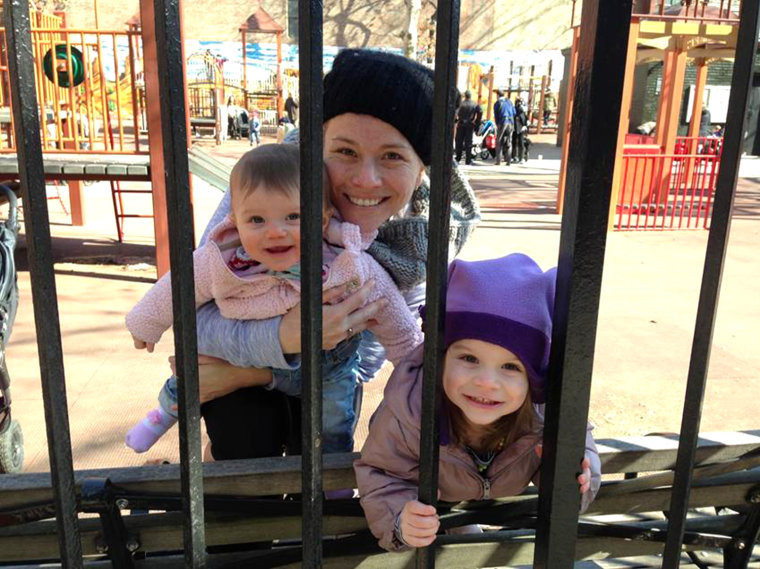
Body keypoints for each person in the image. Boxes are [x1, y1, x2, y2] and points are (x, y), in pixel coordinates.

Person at [193, 49, 481, 461]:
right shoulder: (270, 188)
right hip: (243, 385)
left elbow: (369, 360)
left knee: (324, 452)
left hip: (325, 379)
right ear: (315, 145)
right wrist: (281, 338)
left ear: (421, 170)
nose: (365, 179)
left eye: (393, 156)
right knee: (247, 437)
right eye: (344, 151)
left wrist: (256, 371)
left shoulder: (419, 240)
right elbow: (193, 315)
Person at [124, 144, 423, 453]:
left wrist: (410, 358)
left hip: (327, 367)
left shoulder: (343, 263)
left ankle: (332, 487)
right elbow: (181, 285)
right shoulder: (226, 259)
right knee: (194, 382)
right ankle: (159, 417)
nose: (275, 232)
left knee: (332, 425)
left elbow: (390, 310)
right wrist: (145, 321)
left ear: (322, 220)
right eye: (256, 220)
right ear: (235, 221)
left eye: (293, 217)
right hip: (243, 350)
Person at [354, 254, 602, 551]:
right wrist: (400, 519)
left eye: (511, 367)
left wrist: (572, 479)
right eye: (469, 358)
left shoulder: (546, 412)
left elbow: (579, 449)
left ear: (534, 377)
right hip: (437, 506)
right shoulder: (409, 410)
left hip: (498, 508)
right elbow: (382, 473)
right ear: (441, 357)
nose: (487, 382)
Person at [454, 90, 478, 165]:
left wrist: (456, 120)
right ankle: (468, 160)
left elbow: (455, 112)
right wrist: (476, 121)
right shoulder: (474, 104)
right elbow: (480, 111)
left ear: (465, 96)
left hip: (461, 124)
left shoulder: (461, 104)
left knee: (459, 142)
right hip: (470, 124)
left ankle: (458, 158)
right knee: (468, 143)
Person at [493, 89, 514, 166]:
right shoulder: (509, 102)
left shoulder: (498, 103)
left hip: (502, 122)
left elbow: (496, 114)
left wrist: (497, 124)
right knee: (509, 141)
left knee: (499, 141)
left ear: (498, 95)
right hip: (510, 123)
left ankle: (498, 161)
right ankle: (508, 161)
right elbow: (514, 112)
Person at [512, 97, 529, 164]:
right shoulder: (519, 110)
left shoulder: (520, 110)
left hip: (520, 128)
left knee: (519, 143)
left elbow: (525, 119)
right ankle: (516, 157)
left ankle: (519, 157)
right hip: (517, 127)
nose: (518, 103)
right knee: (516, 143)